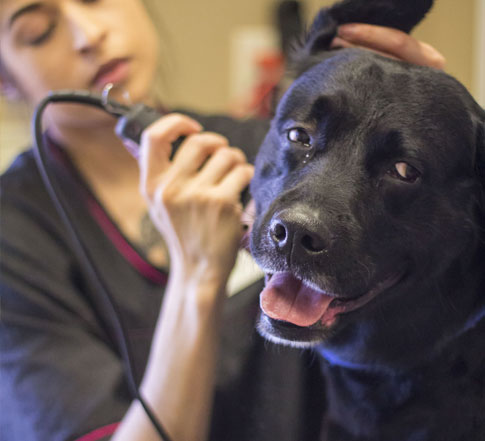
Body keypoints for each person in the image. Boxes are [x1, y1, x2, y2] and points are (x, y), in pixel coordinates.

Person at [0, 1, 446, 440]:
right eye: (39, 30)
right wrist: (197, 276)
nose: (88, 35)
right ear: (6, 78)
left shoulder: (276, 151)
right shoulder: (17, 238)